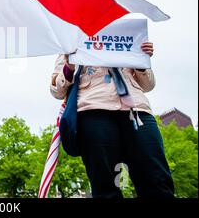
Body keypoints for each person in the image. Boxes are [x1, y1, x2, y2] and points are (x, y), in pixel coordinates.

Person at [50, 42, 175, 198]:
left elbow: (148, 85)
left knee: (157, 179)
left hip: (136, 109)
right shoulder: (72, 41)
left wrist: (142, 61)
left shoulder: (128, 37)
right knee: (105, 184)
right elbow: (57, 91)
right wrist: (69, 65)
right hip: (93, 109)